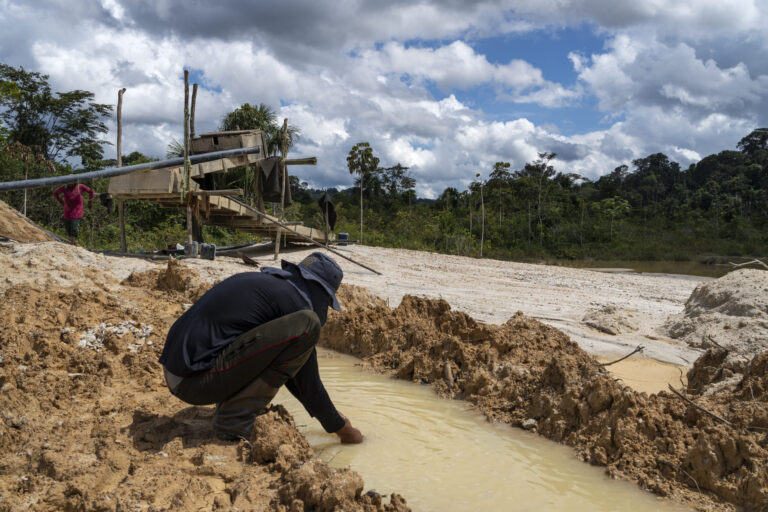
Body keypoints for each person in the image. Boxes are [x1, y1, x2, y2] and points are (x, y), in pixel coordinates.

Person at [159, 252, 363, 443]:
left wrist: (331, 417)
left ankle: (232, 408)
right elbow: (308, 384)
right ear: (319, 291)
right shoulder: (294, 304)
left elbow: (293, 373)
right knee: (309, 324)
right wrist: (343, 429)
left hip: (179, 374)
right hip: (193, 383)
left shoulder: (271, 288)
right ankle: (234, 419)